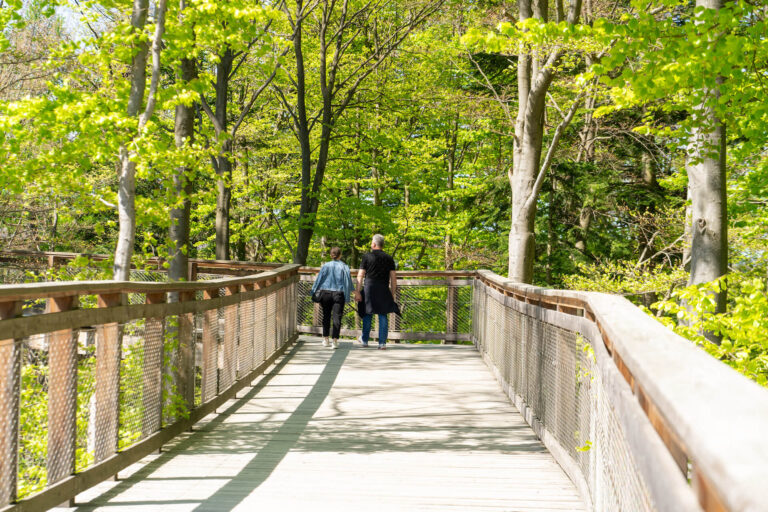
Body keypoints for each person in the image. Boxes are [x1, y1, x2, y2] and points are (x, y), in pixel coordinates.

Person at [355, 234, 399, 350]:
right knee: (382, 315)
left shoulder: (367, 257)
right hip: (383, 289)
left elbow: (360, 275)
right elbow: (393, 278)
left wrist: (357, 291)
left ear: (374, 244)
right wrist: (392, 294)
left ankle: (365, 340)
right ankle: (382, 343)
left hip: (369, 288)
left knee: (367, 314)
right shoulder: (389, 258)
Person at [311, 247, 355, 349]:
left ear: (331, 255)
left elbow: (318, 280)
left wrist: (313, 291)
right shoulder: (344, 266)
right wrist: (354, 292)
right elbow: (348, 282)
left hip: (325, 293)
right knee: (337, 317)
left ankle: (326, 339)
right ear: (340, 255)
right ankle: (335, 341)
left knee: (326, 316)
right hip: (339, 294)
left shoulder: (325, 266)